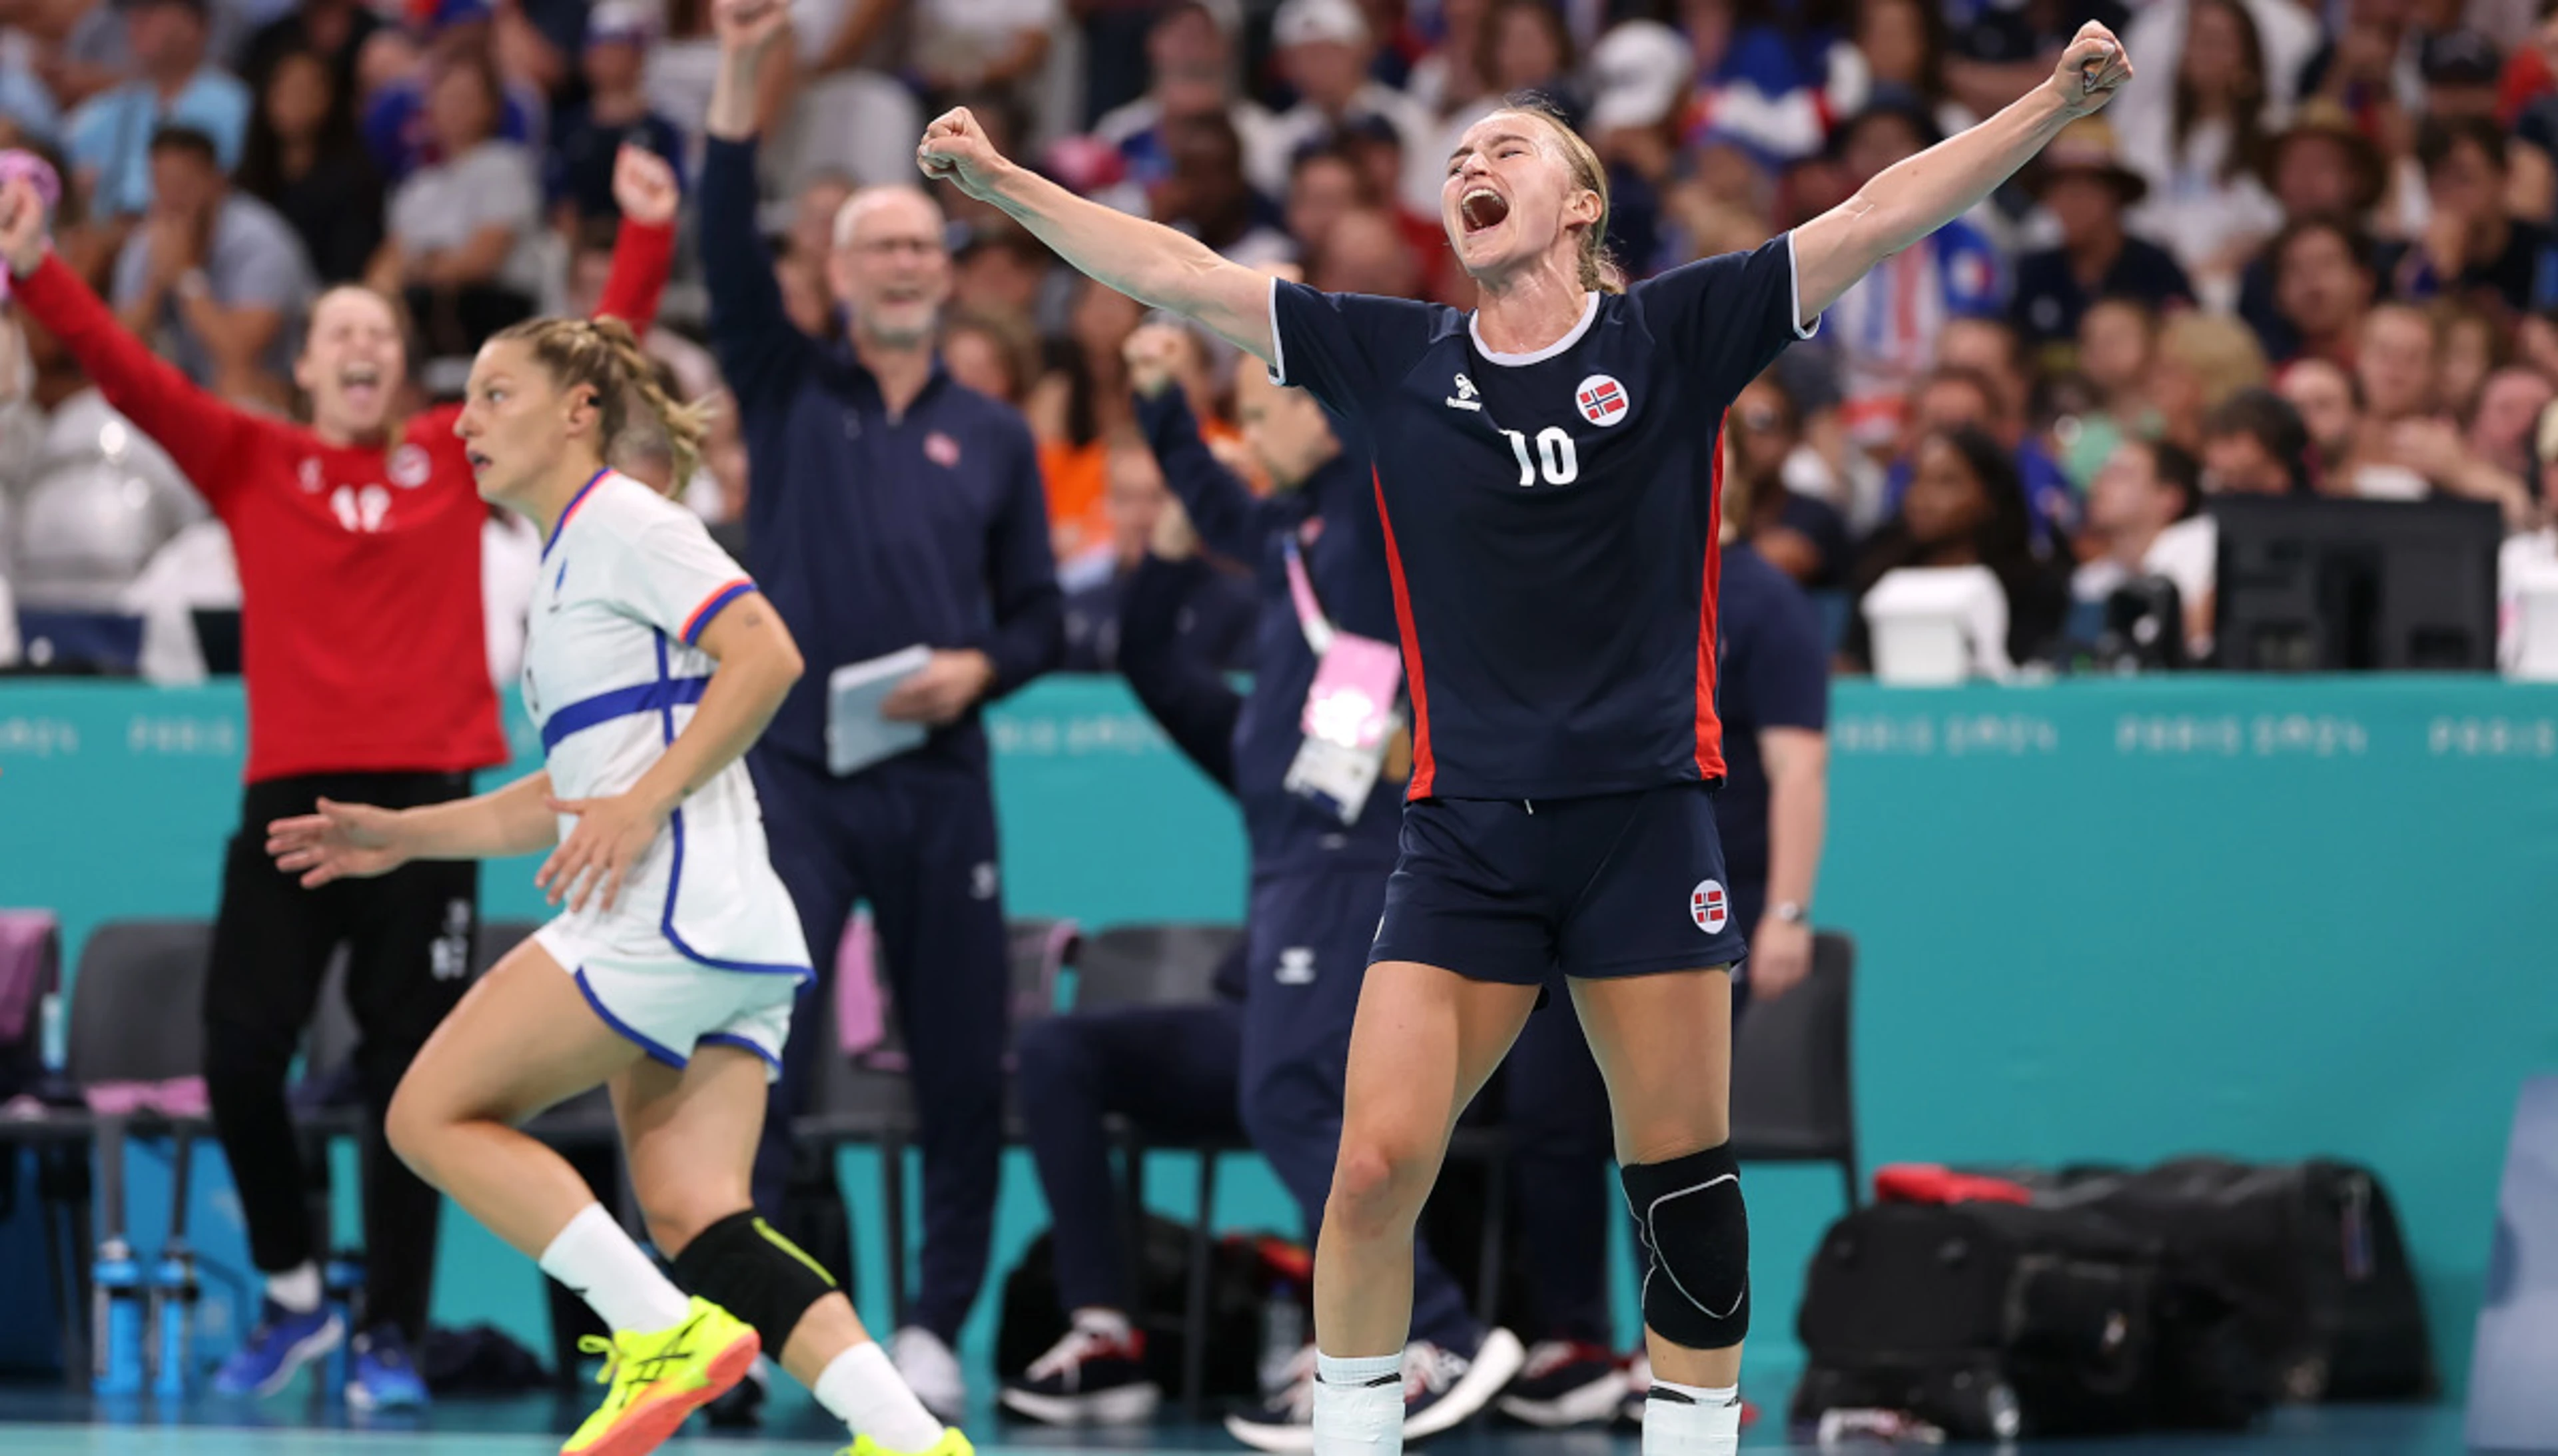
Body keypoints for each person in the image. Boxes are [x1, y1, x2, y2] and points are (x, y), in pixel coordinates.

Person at [917, 19, 2134, 1456]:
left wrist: (2053, 104)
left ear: (1579, 205)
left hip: (1643, 823)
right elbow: (1180, 273)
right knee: (1369, 1169)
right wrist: (1008, 190)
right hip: (1464, 838)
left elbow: (1879, 213)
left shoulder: (1676, 336)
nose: (1472, 162)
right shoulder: (1392, 360)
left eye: (1510, 148)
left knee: (1679, 1178)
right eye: (1459, 155)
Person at [0, 144, 675, 1412]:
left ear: (399, 364)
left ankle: (394, 1336)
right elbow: (131, 376)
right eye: (337, 333)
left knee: (411, 1083)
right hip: (294, 808)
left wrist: (642, 240)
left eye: (378, 330)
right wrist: (34, 267)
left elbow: (585, 370)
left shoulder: (448, 455)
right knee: (239, 1053)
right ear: (306, 365)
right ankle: (300, 1292)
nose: (360, 346)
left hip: (424, 813)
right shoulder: (253, 458)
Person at [264, 314, 968, 1456]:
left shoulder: (631, 523)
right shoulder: (561, 567)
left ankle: (654, 1327)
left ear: (579, 410)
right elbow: (569, 790)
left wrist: (646, 804)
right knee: (703, 1215)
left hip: (668, 913)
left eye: (495, 395)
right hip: (730, 933)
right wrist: (405, 833)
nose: (465, 422)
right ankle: (911, 1437)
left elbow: (769, 654)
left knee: (428, 1112)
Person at [1005, 326, 1523, 1437]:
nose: (1246, 434)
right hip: (1303, 853)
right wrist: (1158, 401)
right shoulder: (1298, 525)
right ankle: (1373, 1341)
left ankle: (1429, 1331)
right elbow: (1215, 506)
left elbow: (1385, 668)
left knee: (1293, 1095)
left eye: (1262, 407)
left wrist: (1371, 753)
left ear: (1321, 410)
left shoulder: (1372, 509)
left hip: (1341, 859)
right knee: (1283, 1090)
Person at [701, 1, 1064, 1419]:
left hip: (942, 781)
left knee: (966, 1064)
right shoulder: (790, 391)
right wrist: (740, 74)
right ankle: (765, 1323)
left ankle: (931, 1326)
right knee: (763, 1067)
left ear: (948, 269)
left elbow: (1038, 615)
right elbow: (722, 246)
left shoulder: (996, 434)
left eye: (926, 244)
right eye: (882, 247)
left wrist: (985, 669)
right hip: (793, 781)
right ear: (835, 274)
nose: (910, 262)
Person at [1493, 452, 1831, 1431]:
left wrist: (1788, 912)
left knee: (1671, 1136)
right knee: (1551, 1110)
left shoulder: (1763, 603)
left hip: (1706, 897)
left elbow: (1798, 769)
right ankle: (1574, 1336)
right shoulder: (1617, 570)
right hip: (1584, 887)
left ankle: (1674, 1362)